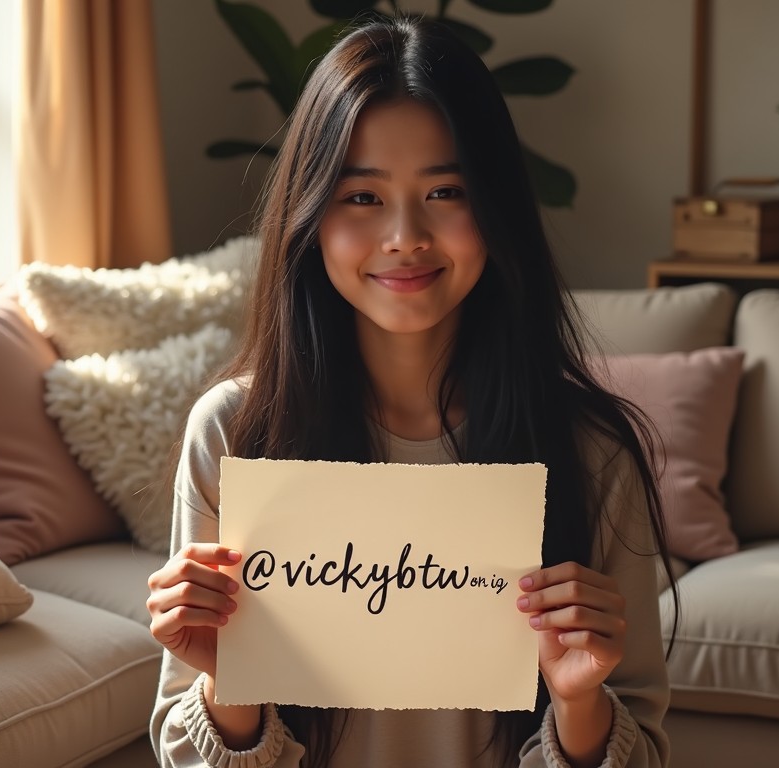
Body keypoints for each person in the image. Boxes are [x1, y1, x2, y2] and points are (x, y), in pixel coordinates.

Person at [147, 14, 677, 768]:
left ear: (496, 208)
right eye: (361, 197)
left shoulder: (591, 451)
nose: (404, 236)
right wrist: (230, 681)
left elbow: (647, 751)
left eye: (447, 191)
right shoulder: (234, 432)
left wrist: (579, 702)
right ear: (309, 215)